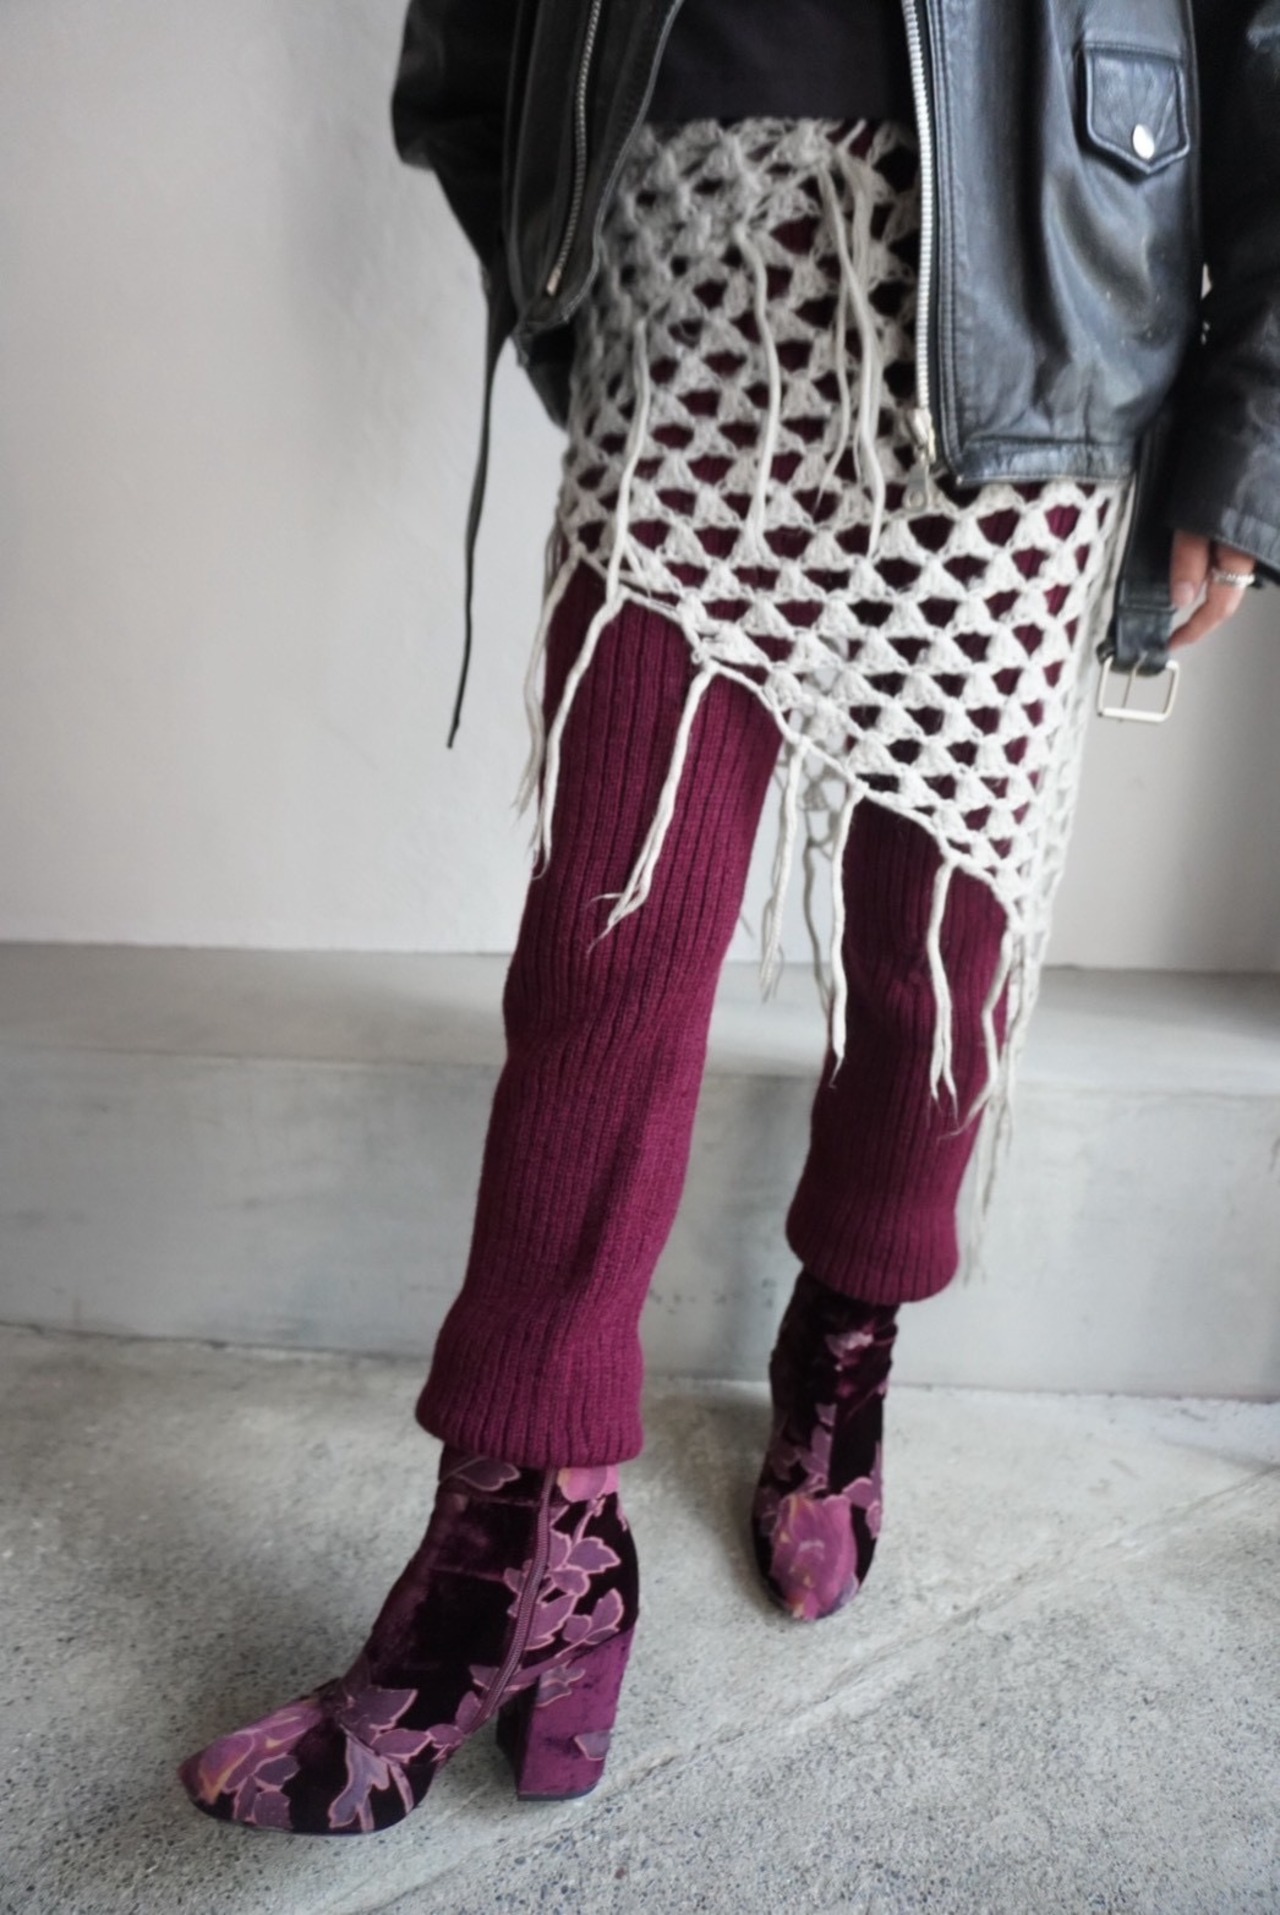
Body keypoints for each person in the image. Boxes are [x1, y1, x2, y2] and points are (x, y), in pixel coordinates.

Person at [178, 0, 1277, 1837]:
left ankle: (846, 1348)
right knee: (602, 943)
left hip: (1040, 308)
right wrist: (560, 262)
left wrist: (1251, 433)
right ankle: (522, 1541)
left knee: (939, 951)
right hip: (689, 268)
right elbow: (468, 57)